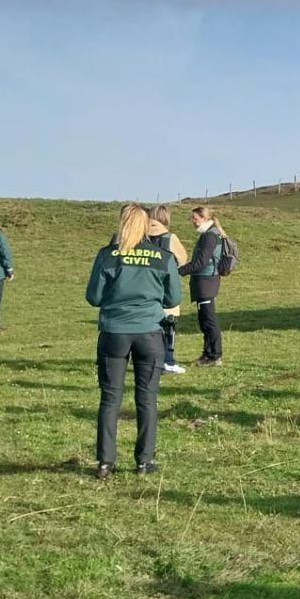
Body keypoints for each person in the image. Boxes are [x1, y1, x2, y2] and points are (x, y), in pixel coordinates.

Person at [84, 203, 181, 479]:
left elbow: (93, 297)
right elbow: (173, 298)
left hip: (114, 333)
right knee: (147, 399)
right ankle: (144, 461)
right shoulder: (162, 257)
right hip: (149, 333)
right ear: (146, 225)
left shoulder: (107, 256)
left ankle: (105, 462)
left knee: (110, 398)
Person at [144, 205, 190, 374]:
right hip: (165, 286)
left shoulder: (142, 236)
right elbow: (182, 259)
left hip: (146, 286)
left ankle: (148, 359)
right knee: (168, 326)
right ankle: (167, 360)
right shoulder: (169, 238)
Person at [181, 205, 226, 366]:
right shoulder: (209, 234)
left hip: (206, 281)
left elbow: (201, 262)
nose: (192, 221)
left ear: (204, 218)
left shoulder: (209, 236)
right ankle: (208, 353)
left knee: (208, 320)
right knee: (204, 319)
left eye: (195, 218)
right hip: (205, 281)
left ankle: (214, 355)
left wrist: (180, 270)